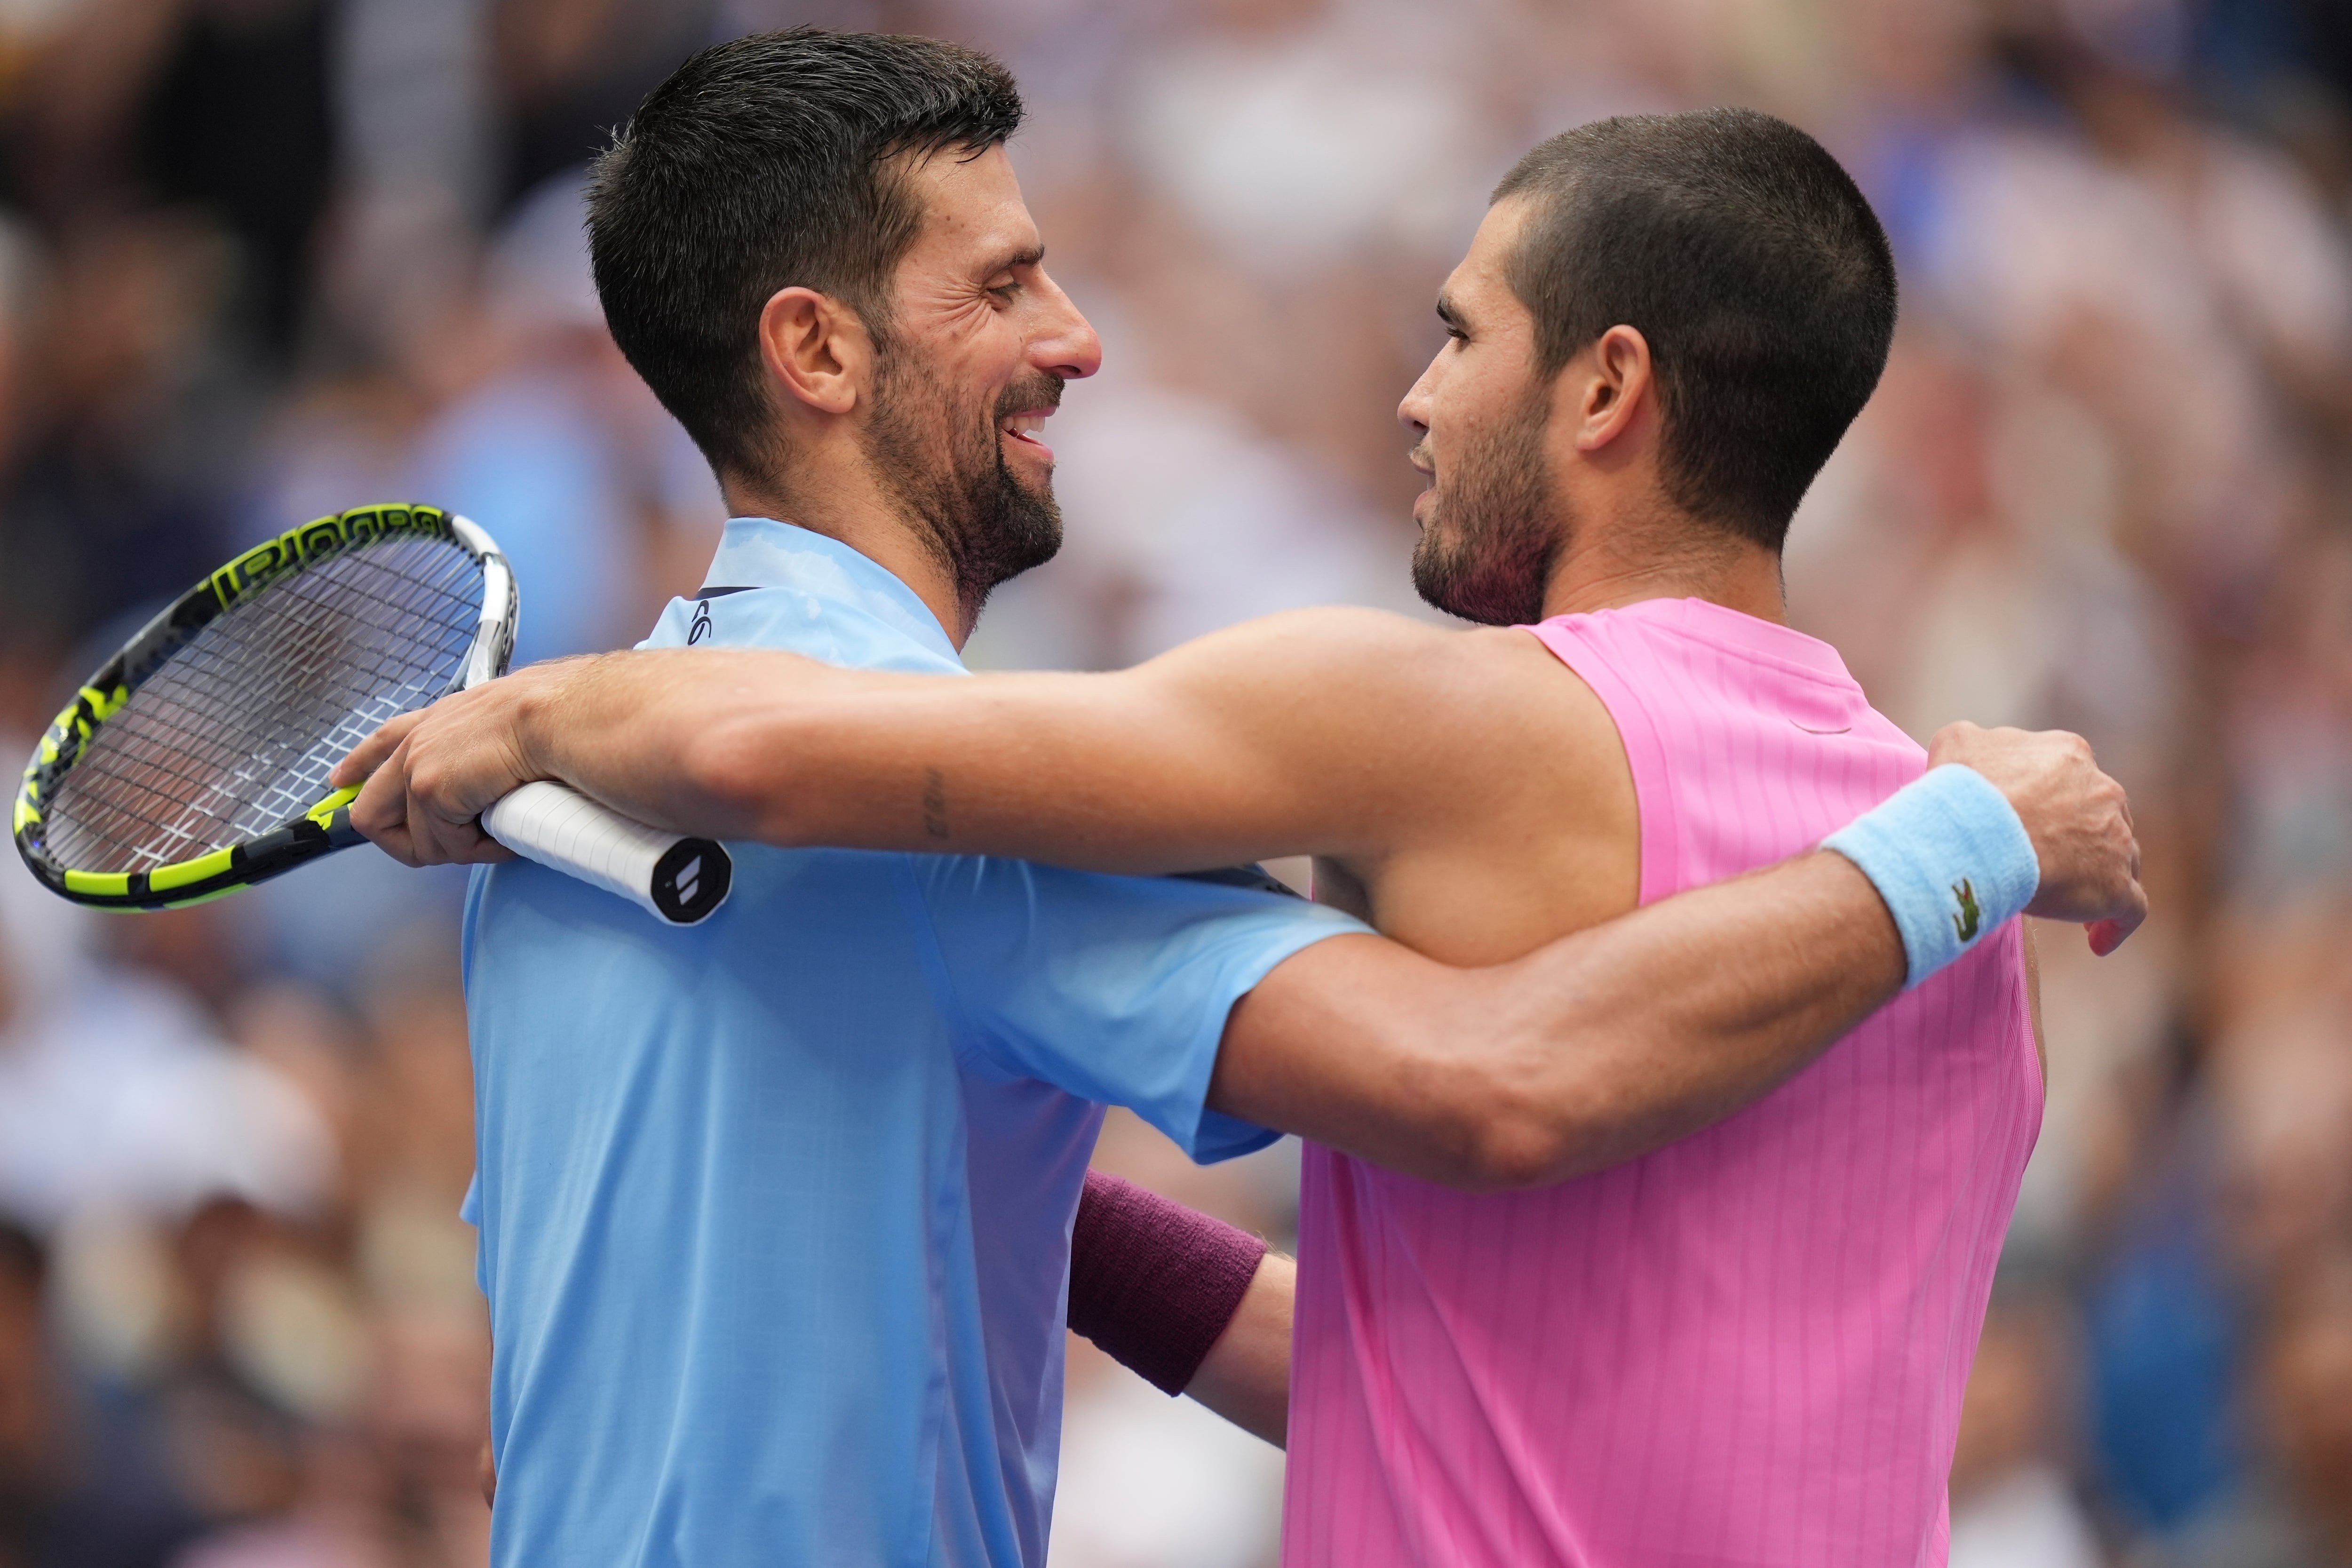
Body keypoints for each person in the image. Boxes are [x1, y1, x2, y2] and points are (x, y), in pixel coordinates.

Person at [338, 33, 2145, 1568]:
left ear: (1609, 389)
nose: (1079, 337)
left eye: (1461, 332)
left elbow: (1472, 1219)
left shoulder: (554, 824)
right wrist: (1965, 834)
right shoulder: (1970, 939)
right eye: (1000, 285)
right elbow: (1491, 1127)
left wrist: (559, 704)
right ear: (814, 352)